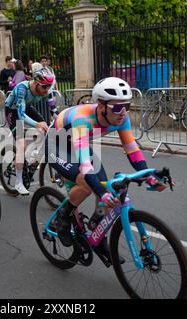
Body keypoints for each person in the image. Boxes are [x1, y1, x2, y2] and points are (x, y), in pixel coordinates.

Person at [47, 77, 167, 248]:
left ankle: (98, 233)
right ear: (101, 106)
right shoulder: (83, 120)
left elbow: (132, 149)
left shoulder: (121, 118)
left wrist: (149, 176)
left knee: (107, 188)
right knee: (87, 184)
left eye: (127, 106)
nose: (123, 112)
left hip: (78, 144)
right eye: (118, 107)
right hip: (57, 146)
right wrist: (101, 192)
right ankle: (63, 216)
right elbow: (86, 167)